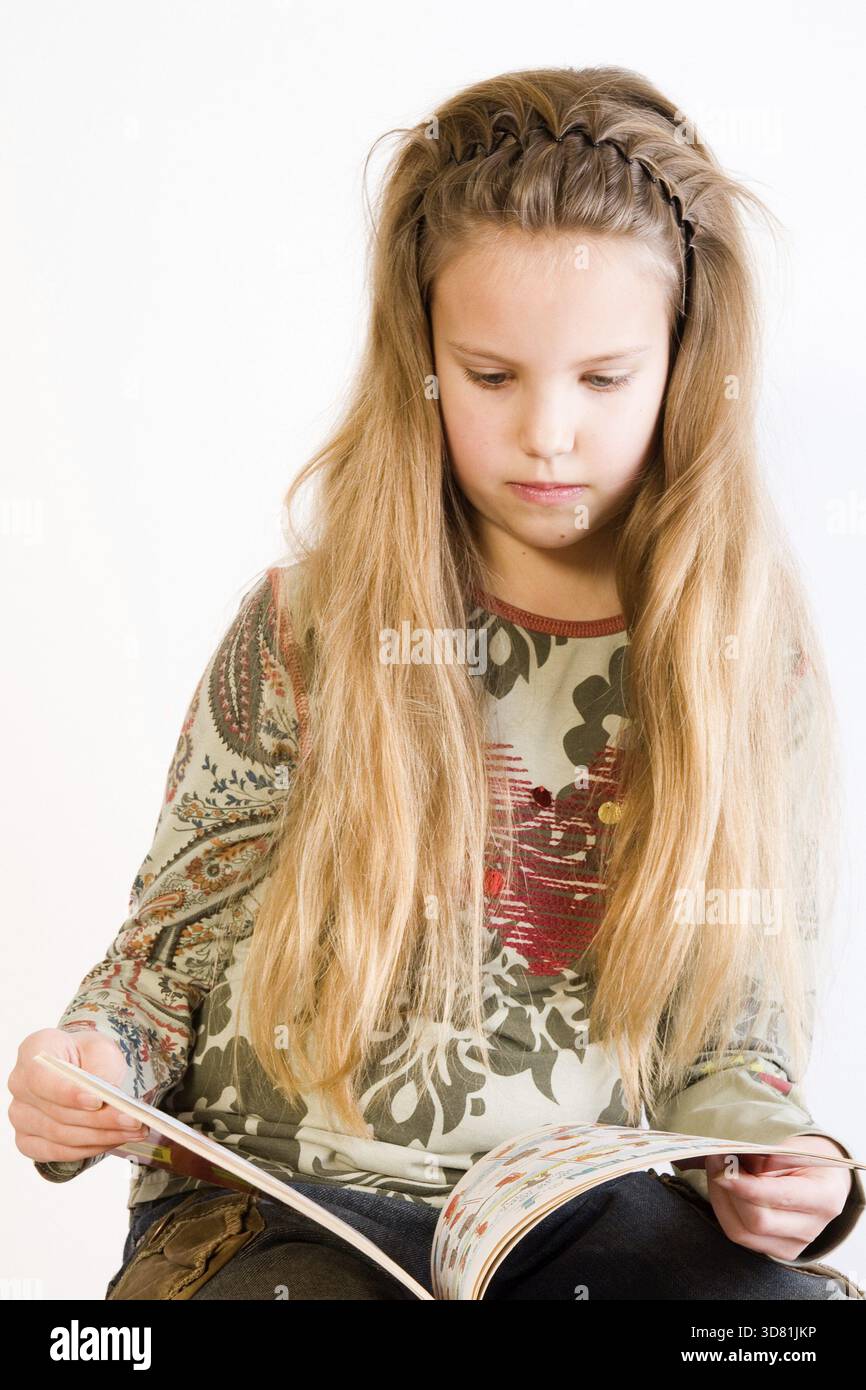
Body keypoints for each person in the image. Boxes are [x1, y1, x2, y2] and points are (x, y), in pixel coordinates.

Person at [9, 64, 865, 1301]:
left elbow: (735, 1034)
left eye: (603, 378)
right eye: (492, 375)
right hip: (276, 1207)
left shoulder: (743, 660)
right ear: (421, 359)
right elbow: (162, 964)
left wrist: (786, 1164)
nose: (548, 433)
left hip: (588, 1220)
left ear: (684, 360)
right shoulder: (305, 624)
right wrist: (89, 1063)